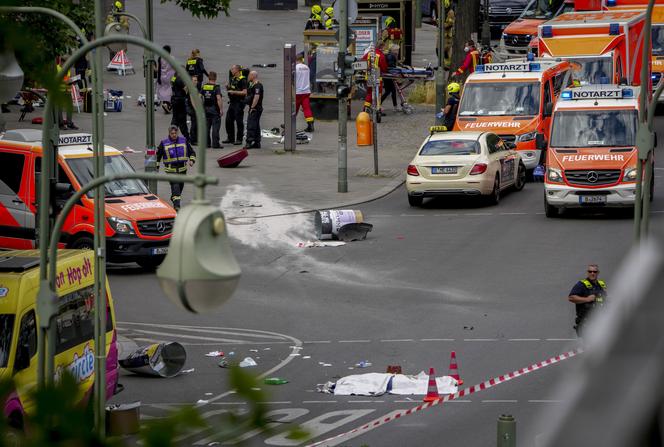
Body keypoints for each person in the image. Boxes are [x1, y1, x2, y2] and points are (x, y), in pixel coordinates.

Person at [156, 125, 196, 211]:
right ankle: (177, 206)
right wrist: (156, 167)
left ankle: (174, 197)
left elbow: (192, 152)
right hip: (171, 171)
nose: (174, 135)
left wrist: (192, 160)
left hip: (182, 170)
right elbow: (158, 156)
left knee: (180, 187)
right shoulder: (164, 143)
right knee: (176, 186)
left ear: (177, 133)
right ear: (169, 133)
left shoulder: (184, 141)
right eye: (172, 133)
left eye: (175, 133)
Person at [568, 264, 607, 337]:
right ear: (587, 272)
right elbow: (571, 297)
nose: (592, 273)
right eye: (590, 271)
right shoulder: (581, 285)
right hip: (586, 324)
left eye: (594, 272)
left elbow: (604, 300)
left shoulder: (601, 285)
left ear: (598, 272)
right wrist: (587, 299)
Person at [224, 64, 248, 145]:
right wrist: (227, 87)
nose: (231, 70)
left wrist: (234, 92)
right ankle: (230, 138)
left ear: (237, 70)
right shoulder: (233, 78)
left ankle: (239, 139)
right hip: (232, 102)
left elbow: (245, 92)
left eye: (232, 69)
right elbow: (231, 89)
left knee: (239, 122)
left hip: (239, 103)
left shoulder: (243, 80)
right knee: (228, 120)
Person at [202, 71, 224, 148]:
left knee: (207, 127)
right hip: (214, 109)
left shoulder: (204, 86)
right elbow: (218, 99)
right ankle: (215, 144)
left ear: (209, 77)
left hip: (206, 109)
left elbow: (200, 97)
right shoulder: (216, 87)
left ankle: (207, 143)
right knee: (215, 127)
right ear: (215, 78)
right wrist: (221, 109)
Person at [56, 57, 78, 130]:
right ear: (61, 62)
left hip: (67, 90)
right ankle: (60, 124)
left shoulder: (67, 69)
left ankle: (69, 123)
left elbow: (67, 78)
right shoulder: (57, 69)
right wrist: (64, 82)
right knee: (59, 108)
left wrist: (72, 81)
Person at [295, 52, 315, 132]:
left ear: (296, 60)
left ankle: (289, 124)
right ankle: (310, 124)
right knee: (306, 108)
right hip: (306, 91)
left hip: (298, 92)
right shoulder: (306, 67)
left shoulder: (295, 68)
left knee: (294, 109)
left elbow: (293, 79)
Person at [245, 71, 264, 149]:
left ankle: (249, 142)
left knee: (251, 125)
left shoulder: (257, 86)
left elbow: (256, 97)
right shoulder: (252, 84)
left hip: (255, 108)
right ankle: (257, 142)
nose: (248, 76)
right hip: (254, 107)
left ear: (253, 76)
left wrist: (252, 107)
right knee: (256, 125)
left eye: (249, 75)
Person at [170, 72, 190, 142]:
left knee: (175, 118)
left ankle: (171, 134)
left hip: (174, 100)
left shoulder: (173, 78)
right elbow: (185, 89)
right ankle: (187, 137)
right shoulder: (180, 79)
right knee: (182, 120)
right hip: (180, 101)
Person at [156, 45, 175, 114]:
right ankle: (167, 104)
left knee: (163, 92)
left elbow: (159, 69)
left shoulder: (160, 58)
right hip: (170, 77)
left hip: (162, 77)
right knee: (169, 91)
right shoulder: (172, 58)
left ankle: (165, 103)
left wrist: (158, 78)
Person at [381, 44, 399, 112]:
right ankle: (395, 106)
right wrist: (396, 69)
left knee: (389, 91)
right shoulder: (391, 56)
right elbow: (391, 66)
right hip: (389, 76)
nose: (398, 51)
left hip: (387, 75)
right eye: (397, 50)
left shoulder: (389, 55)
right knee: (391, 91)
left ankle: (395, 106)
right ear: (393, 50)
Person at [186, 74, 200, 145]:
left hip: (192, 108)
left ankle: (194, 139)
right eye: (194, 80)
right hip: (193, 109)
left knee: (195, 124)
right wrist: (196, 110)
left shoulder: (193, 88)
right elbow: (192, 100)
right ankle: (193, 140)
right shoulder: (193, 89)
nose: (195, 82)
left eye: (196, 80)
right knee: (194, 124)